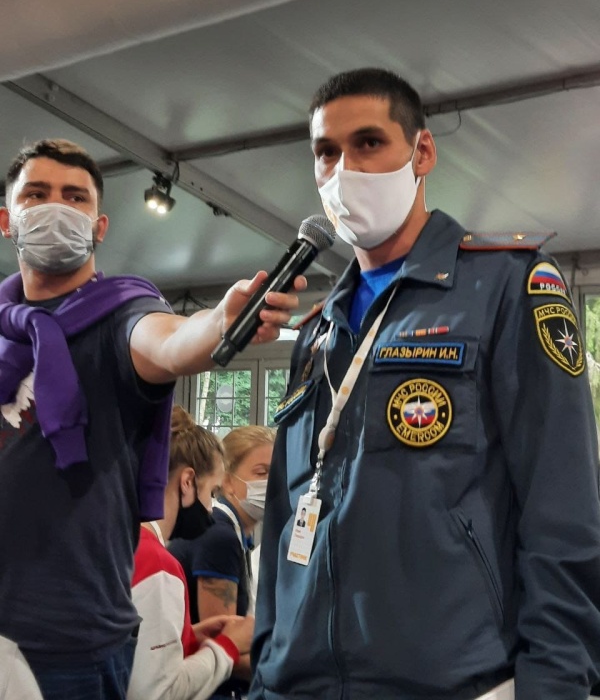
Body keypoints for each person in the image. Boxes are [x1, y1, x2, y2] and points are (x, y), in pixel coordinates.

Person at [250, 68, 600, 700]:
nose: (344, 170)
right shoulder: (316, 329)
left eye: (368, 143)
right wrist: (267, 657)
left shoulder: (505, 286)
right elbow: (284, 511)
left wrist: (554, 683)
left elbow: (563, 506)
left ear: (423, 152)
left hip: (447, 680)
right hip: (295, 683)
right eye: (326, 152)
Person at [0, 139, 304, 700]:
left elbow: (169, 342)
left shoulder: (123, 312)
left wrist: (219, 324)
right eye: (36, 194)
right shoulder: (3, 329)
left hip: (67, 644)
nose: (56, 208)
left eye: (75, 197)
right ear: (6, 220)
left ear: (99, 227)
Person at [128, 404, 254, 700]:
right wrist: (227, 647)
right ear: (187, 482)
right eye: (211, 493)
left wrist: (188, 637)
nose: (211, 508)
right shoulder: (158, 564)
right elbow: (159, 693)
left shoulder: (124, 544)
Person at [170, 425, 275, 700]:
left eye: (277, 473)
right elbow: (223, 650)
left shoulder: (237, 536)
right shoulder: (220, 536)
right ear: (227, 481)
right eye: (261, 473)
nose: (272, 483)